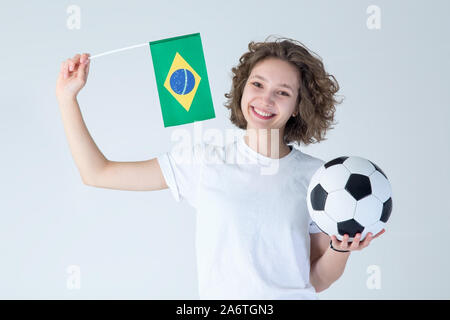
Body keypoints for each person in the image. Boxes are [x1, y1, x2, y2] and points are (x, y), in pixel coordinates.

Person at [55, 35, 385, 300]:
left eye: (282, 92)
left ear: (299, 106)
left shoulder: (321, 180)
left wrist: (341, 249)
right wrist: (67, 98)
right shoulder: (202, 161)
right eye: (258, 84)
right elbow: (97, 173)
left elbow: (316, 279)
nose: (266, 99)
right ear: (242, 87)